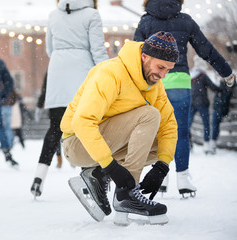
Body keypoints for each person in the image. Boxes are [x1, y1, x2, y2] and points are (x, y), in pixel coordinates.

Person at [61, 31, 178, 224]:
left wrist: (162, 167)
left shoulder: (154, 85)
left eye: (168, 70)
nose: (163, 75)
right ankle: (127, 195)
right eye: (160, 67)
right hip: (76, 143)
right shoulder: (111, 73)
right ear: (144, 57)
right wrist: (111, 166)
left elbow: (169, 125)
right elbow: (82, 122)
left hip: (105, 142)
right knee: (149, 116)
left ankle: (99, 175)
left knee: (160, 147)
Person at [133, 0, 235, 197]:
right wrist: (227, 73)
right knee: (180, 133)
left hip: (155, 83)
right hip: (179, 81)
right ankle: (183, 177)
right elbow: (206, 49)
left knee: (158, 131)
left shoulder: (145, 22)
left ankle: (160, 177)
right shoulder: (185, 21)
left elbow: (135, 55)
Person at [30, 0, 109, 197]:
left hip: (57, 74)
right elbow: (98, 51)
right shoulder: (91, 15)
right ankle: (90, 178)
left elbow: (49, 49)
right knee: (88, 127)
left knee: (55, 128)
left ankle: (38, 178)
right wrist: (109, 78)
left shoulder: (54, 15)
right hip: (82, 75)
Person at [188, 56, 221, 154]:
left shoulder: (191, 75)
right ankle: (206, 145)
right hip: (202, 103)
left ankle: (188, 143)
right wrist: (223, 88)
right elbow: (213, 87)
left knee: (188, 124)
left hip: (192, 103)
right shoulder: (203, 76)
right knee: (206, 124)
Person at [34, 73, 63, 168]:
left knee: (55, 133)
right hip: (67, 104)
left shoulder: (52, 68)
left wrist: (39, 105)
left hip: (55, 105)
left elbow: (45, 89)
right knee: (64, 133)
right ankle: (65, 156)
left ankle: (61, 157)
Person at [211, 79, 236, 153]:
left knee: (216, 126)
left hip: (223, 109)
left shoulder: (230, 85)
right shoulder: (219, 84)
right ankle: (213, 143)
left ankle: (213, 142)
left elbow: (234, 83)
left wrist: (231, 78)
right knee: (215, 126)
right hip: (216, 109)